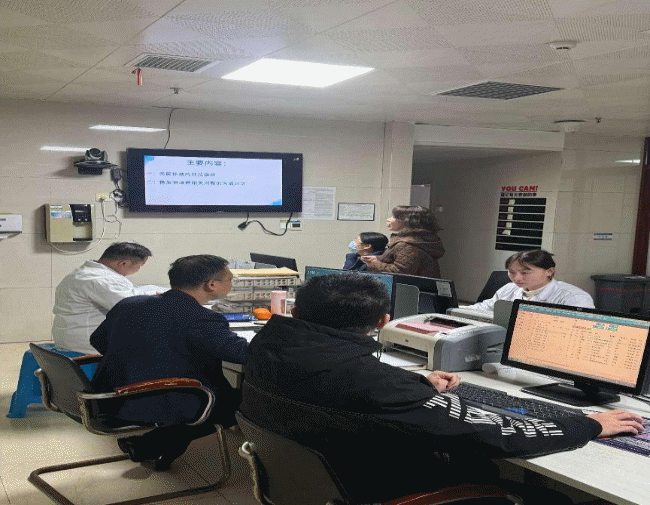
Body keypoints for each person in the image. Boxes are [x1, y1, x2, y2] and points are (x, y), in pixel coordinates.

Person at [241, 272, 642, 504]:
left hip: (323, 480)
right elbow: (497, 434)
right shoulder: (372, 382)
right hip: (380, 487)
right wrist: (588, 425)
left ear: (295, 311)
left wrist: (415, 383)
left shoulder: (267, 346)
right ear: (383, 322)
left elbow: (338, 386)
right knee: (551, 499)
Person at [90, 255, 249, 470]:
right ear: (211, 285)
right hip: (152, 400)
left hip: (109, 397)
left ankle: (151, 446)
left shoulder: (129, 304)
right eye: (230, 279)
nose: (231, 284)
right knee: (244, 402)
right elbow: (242, 354)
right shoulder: (201, 318)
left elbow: (98, 341)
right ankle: (151, 444)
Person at [52, 242, 166, 354]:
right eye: (140, 266)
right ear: (124, 263)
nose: (138, 269)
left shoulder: (81, 273)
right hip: (87, 346)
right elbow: (134, 310)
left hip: (69, 339)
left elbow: (126, 296)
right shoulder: (105, 280)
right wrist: (161, 299)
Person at [464, 249, 594, 313]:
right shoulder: (509, 289)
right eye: (512, 272)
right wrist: (455, 309)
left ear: (549, 271)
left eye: (524, 272)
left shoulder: (573, 298)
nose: (516, 278)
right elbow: (484, 308)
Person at [361, 205, 444, 277]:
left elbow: (400, 272)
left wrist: (375, 264)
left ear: (406, 221)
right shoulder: (416, 241)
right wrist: (377, 258)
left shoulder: (408, 245)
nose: (388, 219)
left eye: (394, 217)